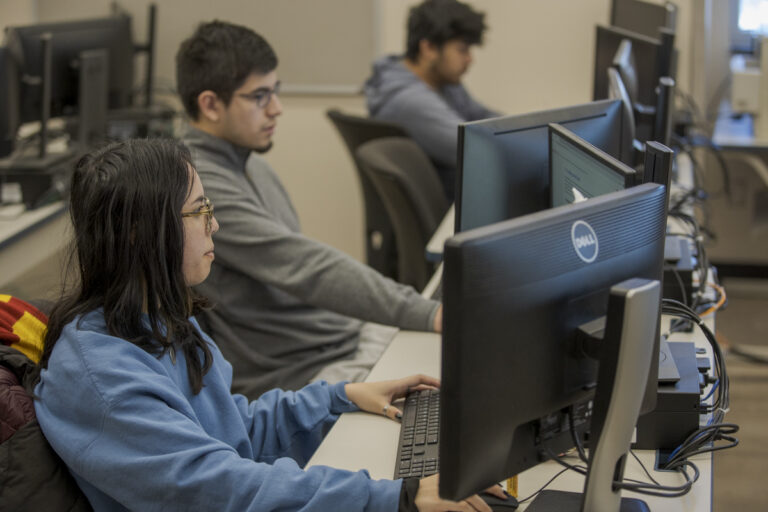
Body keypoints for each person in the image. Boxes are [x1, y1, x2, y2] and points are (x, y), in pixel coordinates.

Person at [30, 138, 507, 511]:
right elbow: (221, 491)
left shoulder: (156, 318)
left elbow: (234, 432)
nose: (214, 226)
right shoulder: (102, 377)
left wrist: (340, 399)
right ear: (140, 233)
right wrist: (395, 499)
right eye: (198, 212)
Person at [176, 21, 443, 400]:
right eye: (260, 96)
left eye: (277, 92)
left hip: (340, 339)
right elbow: (308, 268)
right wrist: (427, 313)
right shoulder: (200, 186)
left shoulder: (252, 163)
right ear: (210, 104)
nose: (277, 109)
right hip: (301, 370)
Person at [364, 0, 500, 201]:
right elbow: (476, 151)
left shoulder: (444, 83)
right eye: (462, 49)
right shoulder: (409, 102)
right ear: (428, 48)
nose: (470, 59)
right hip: (451, 206)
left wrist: (525, 127)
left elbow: (482, 116)